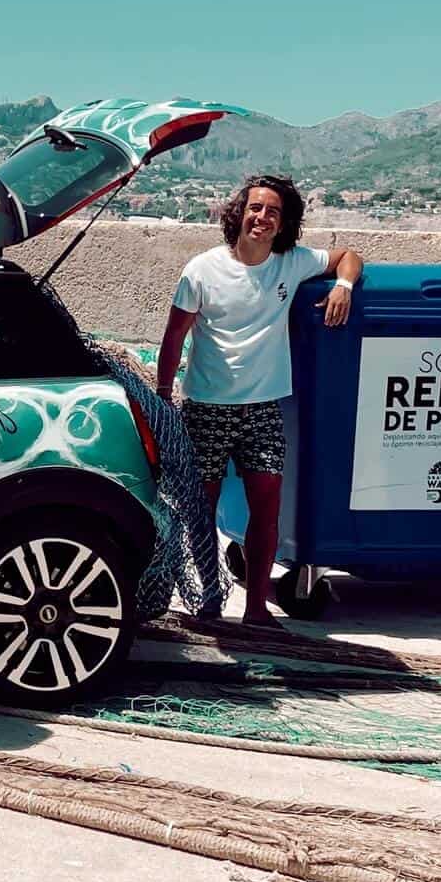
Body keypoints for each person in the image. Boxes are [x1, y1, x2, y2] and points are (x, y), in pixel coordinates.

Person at [155, 173, 363, 629]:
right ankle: (205, 598)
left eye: (273, 211)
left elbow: (348, 256)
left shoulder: (292, 262)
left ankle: (255, 609)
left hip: (264, 409)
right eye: (255, 208)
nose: (262, 217)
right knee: (198, 511)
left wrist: (343, 287)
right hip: (207, 407)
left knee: (267, 511)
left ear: (283, 223)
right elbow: (174, 337)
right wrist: (164, 396)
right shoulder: (201, 270)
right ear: (239, 213)